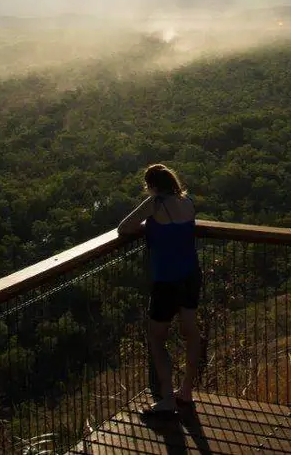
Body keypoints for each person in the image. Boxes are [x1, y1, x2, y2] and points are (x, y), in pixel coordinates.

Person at [117, 164, 203, 414]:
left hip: (166, 279)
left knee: (156, 338)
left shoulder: (155, 204)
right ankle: (186, 390)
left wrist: (149, 229)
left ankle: (166, 398)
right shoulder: (187, 202)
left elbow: (124, 227)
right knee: (191, 332)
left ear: (151, 185)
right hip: (190, 274)